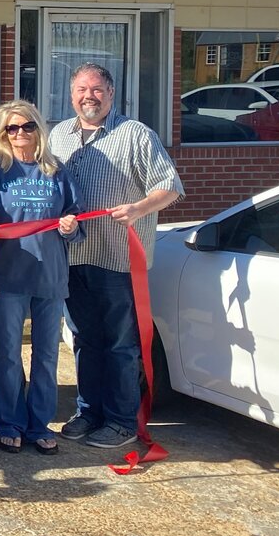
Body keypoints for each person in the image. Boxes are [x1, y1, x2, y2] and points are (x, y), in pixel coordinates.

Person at [48, 63, 183, 450]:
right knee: (83, 339)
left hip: (117, 259)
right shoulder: (59, 135)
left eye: (97, 89)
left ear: (111, 92)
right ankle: (89, 411)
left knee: (120, 344)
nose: (88, 96)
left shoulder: (134, 134)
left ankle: (122, 420)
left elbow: (170, 186)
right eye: (81, 89)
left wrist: (140, 208)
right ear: (70, 94)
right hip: (73, 256)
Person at [0, 102, 80, 456]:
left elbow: (75, 223)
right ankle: (10, 423)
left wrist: (70, 227)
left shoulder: (57, 171)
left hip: (49, 277)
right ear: (2, 134)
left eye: (27, 127)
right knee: (7, 355)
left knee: (47, 355)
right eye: (11, 129)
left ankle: (40, 424)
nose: (20, 134)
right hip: (6, 278)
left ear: (39, 129)